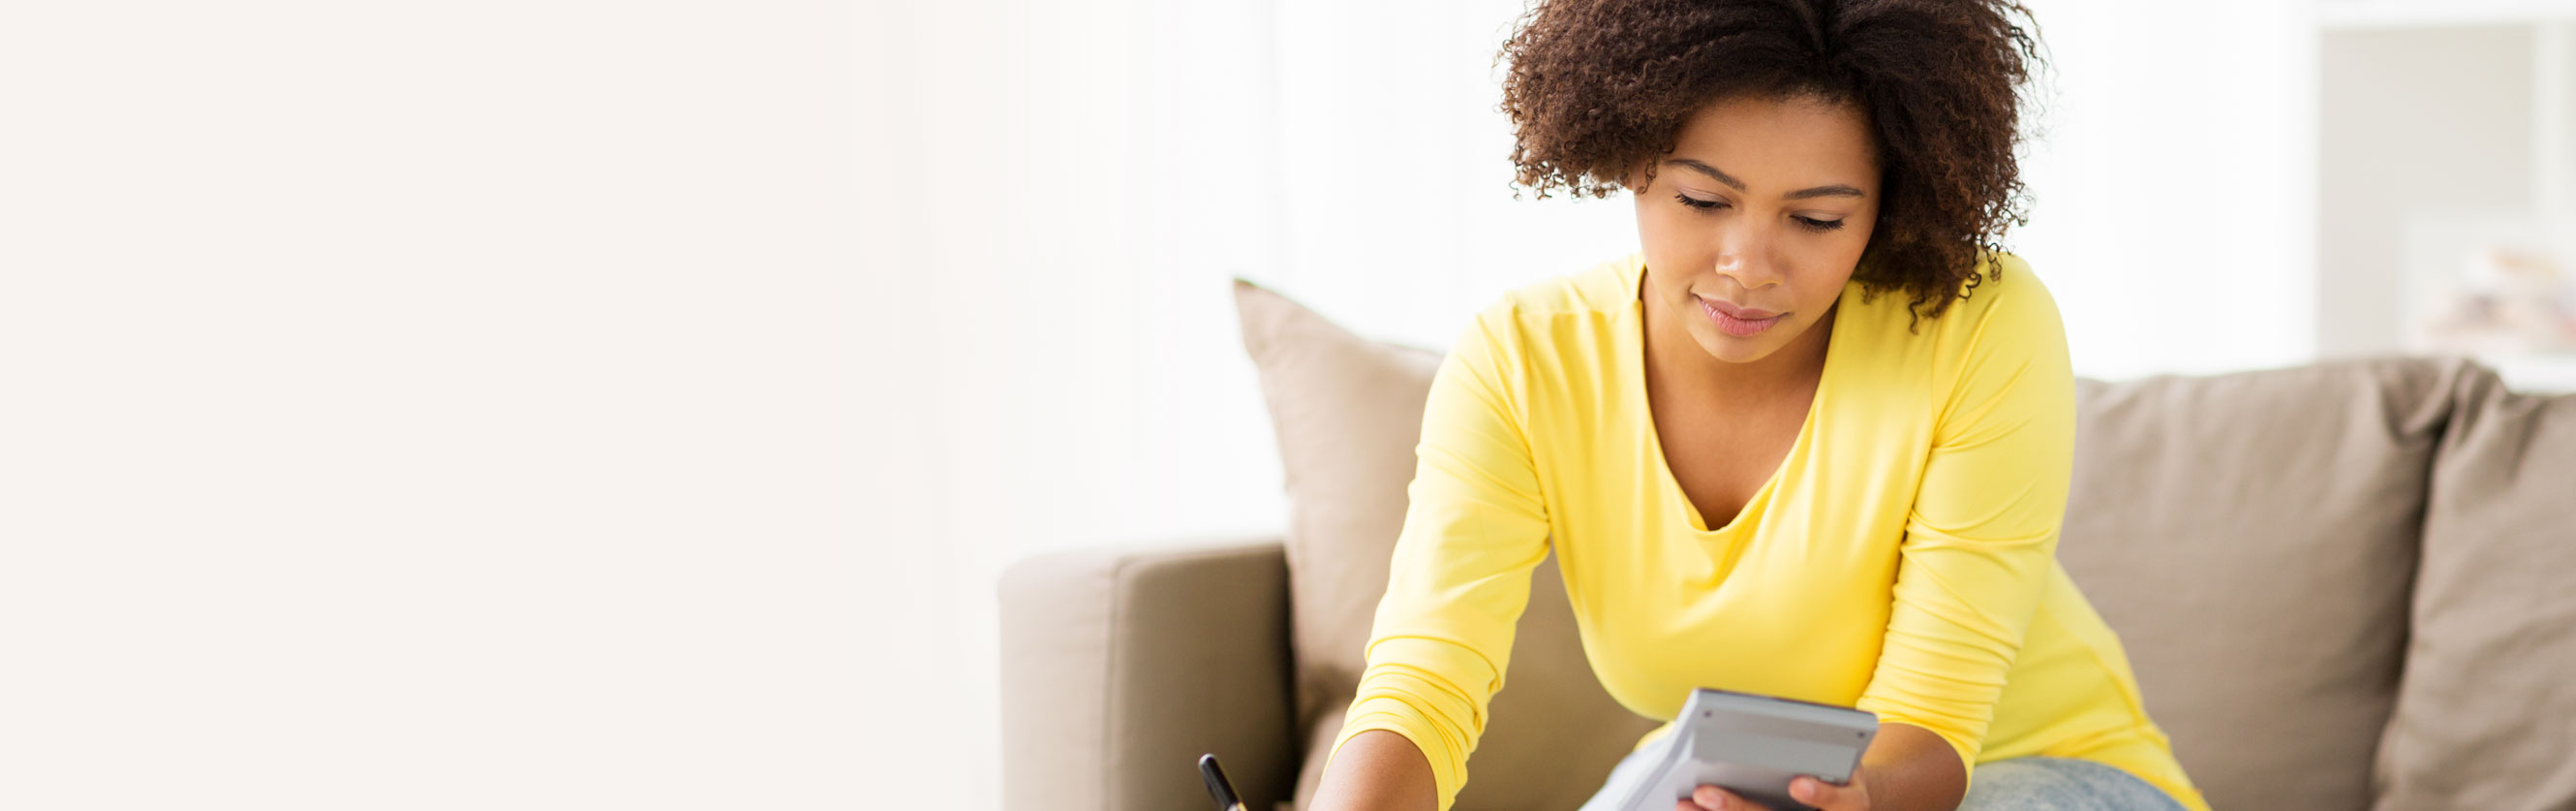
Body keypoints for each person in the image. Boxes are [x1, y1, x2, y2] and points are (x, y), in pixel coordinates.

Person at [1304, 2, 2209, 810]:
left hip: (2043, 770)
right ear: (1629, 161)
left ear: (1891, 203)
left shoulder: (1974, 325)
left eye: (1816, 220)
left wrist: (1842, 799)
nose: (1748, 263)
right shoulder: (1523, 361)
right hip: (1722, 782)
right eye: (1702, 199)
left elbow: (1933, 728)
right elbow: (1424, 681)